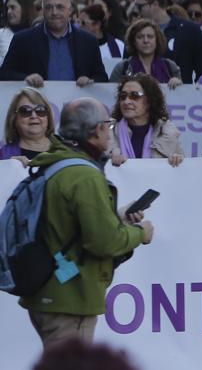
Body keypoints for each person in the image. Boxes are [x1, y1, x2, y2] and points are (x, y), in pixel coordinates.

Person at [20, 98, 153, 346]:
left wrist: (117, 217)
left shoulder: (56, 162)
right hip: (70, 298)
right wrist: (139, 233)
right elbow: (104, 242)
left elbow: (67, 224)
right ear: (95, 130)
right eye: (108, 125)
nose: (110, 131)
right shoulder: (84, 175)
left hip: (49, 293)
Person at [0, 0, 107, 87]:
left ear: (69, 10)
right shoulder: (23, 40)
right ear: (43, 11)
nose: (54, 12)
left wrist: (89, 80)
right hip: (37, 105)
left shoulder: (88, 41)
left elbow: (102, 77)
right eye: (48, 7)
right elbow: (5, 73)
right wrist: (26, 78)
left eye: (60, 7)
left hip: (77, 104)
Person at [132, 0, 202, 83]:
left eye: (139, 6)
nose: (135, 10)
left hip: (179, 96)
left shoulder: (189, 30)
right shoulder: (134, 31)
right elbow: (126, 68)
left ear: (155, 4)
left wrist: (192, 95)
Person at [104, 75, 184, 166]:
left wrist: (177, 161)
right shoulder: (107, 131)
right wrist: (108, 160)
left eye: (135, 96)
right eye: (123, 96)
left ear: (150, 100)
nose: (126, 101)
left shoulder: (169, 133)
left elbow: (183, 172)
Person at [109, 19, 183, 87]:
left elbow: (182, 96)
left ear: (157, 40)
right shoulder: (122, 68)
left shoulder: (170, 67)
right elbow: (111, 94)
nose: (145, 41)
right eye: (140, 37)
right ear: (133, 41)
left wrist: (178, 84)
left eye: (150, 37)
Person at [1, 88, 57, 165]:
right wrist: (6, 165)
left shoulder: (66, 149)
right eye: (25, 111)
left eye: (40, 110)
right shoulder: (3, 155)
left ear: (48, 116)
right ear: (14, 119)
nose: (34, 116)